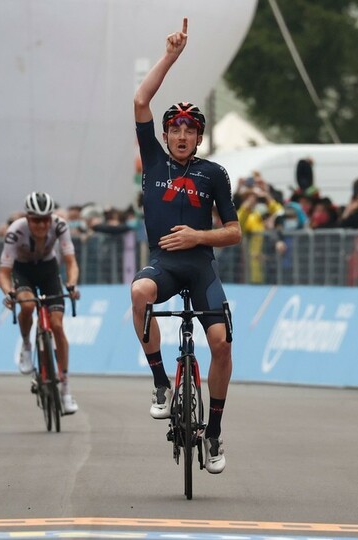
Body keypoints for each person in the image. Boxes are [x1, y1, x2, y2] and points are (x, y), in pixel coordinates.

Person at [131, 18, 241, 474]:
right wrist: (171, 56)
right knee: (139, 292)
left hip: (200, 269)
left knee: (221, 345)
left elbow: (233, 232)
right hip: (164, 265)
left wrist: (199, 236)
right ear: (165, 136)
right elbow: (141, 100)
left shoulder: (213, 174)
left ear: (198, 137)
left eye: (189, 130)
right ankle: (161, 382)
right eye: (174, 129)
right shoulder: (154, 162)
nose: (180, 136)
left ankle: (213, 432)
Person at [0, 192, 81, 415]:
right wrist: (9, 293)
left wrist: (72, 284)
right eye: (36, 220)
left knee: (57, 325)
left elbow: (71, 262)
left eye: (46, 219)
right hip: (22, 271)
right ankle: (26, 344)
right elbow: (3, 273)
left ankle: (65, 389)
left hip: (47, 270)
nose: (42, 225)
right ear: (27, 218)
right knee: (27, 305)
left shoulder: (60, 225)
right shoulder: (15, 231)